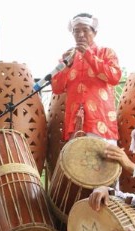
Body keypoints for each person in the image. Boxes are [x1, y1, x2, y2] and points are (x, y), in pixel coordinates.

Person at [51, 12, 121, 145]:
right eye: (76, 31)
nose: (80, 35)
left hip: (100, 122)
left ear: (95, 33)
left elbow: (114, 77)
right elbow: (56, 88)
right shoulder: (67, 57)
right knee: (75, 163)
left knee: (102, 162)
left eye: (85, 30)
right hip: (74, 123)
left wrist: (88, 55)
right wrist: (66, 66)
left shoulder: (106, 53)